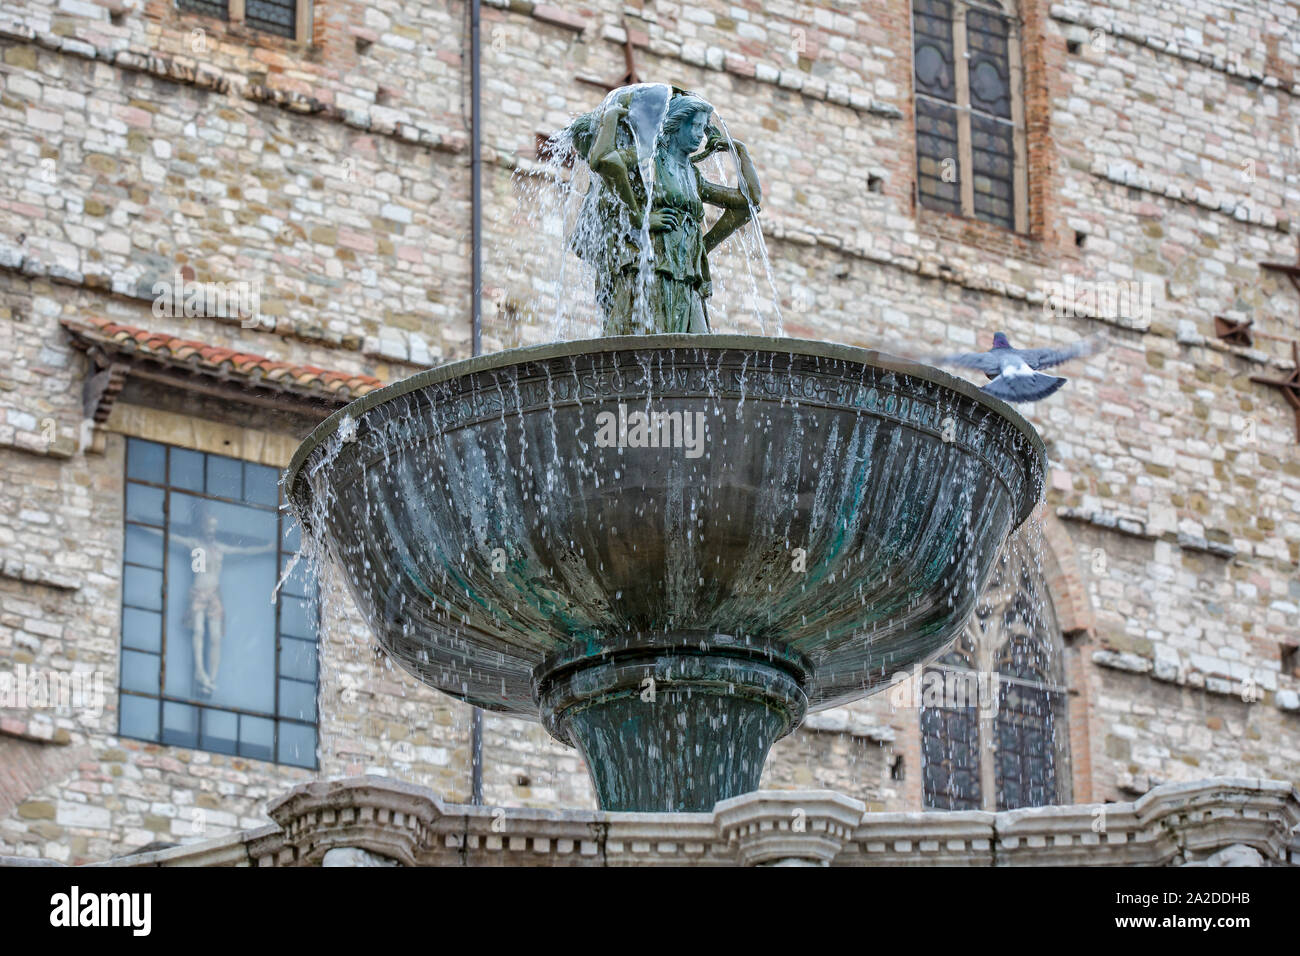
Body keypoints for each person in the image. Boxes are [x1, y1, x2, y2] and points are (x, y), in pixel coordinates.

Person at [570, 87, 762, 335]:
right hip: (651, 267)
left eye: (703, 129)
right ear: (676, 125)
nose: (699, 135)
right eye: (694, 126)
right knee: (650, 344)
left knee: (697, 355)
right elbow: (604, 161)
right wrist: (639, 217)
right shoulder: (649, 157)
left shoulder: (692, 174)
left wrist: (739, 150)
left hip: (688, 273)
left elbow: (749, 203)